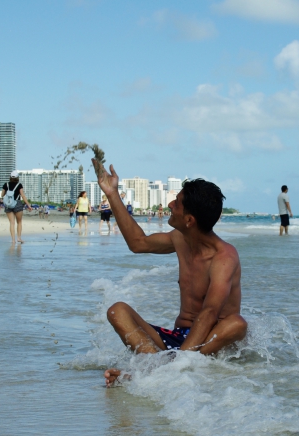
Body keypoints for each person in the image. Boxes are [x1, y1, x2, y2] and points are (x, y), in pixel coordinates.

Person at [91, 159, 247, 387]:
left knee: (237, 324)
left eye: (178, 203)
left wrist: (180, 360)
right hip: (178, 338)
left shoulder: (224, 257)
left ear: (190, 220)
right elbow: (138, 243)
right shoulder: (180, 239)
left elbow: (209, 313)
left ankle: (160, 373)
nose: (171, 204)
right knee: (117, 311)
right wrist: (112, 193)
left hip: (211, 340)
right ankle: (156, 368)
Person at [2, 170, 31, 244]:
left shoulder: (6, 184)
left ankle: (13, 240)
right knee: (19, 222)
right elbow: (23, 195)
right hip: (17, 203)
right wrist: (28, 204)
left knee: (12, 223)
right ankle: (19, 238)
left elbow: (2, 195)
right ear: (17, 177)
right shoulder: (19, 185)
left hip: (8, 204)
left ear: (10, 177)